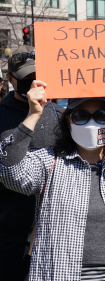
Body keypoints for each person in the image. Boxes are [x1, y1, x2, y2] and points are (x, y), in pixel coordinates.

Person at [0, 81, 105, 280]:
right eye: (81, 116)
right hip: (59, 271)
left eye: (101, 116)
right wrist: (32, 116)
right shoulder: (48, 161)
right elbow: (9, 171)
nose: (92, 123)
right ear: (68, 121)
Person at [0, 46, 65, 281]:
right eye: (27, 78)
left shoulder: (61, 114)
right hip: (10, 228)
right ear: (10, 79)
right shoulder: (2, 114)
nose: (34, 83)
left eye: (38, 77)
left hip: (54, 226)